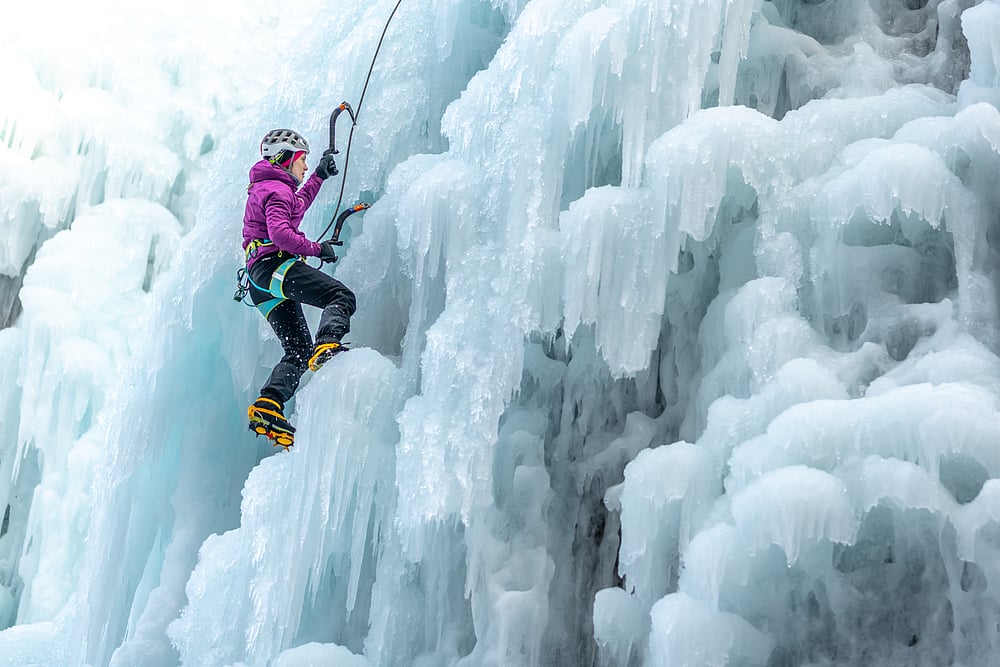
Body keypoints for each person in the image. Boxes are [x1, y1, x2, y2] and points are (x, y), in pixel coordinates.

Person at [242, 128, 357, 448]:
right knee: (340, 296)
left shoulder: (270, 187)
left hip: (260, 282)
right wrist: (317, 249)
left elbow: (296, 206)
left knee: (297, 349)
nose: (305, 166)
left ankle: (268, 404)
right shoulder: (276, 190)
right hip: (274, 266)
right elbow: (281, 234)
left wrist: (319, 176)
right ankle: (328, 343)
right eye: (303, 160)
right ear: (286, 159)